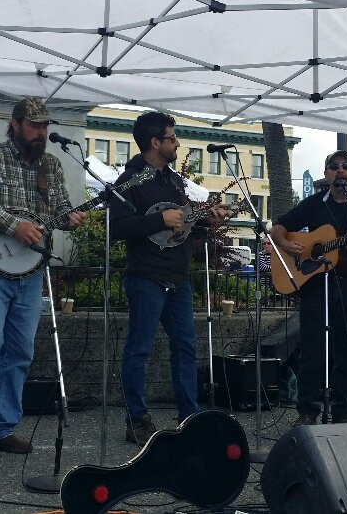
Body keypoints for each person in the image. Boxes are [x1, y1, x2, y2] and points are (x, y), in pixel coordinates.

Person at [0, 96, 86, 461]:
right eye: (34, 125)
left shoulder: (53, 165)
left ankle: (2, 428)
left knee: (20, 350)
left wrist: (69, 218)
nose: (41, 132)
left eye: (44, 126)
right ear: (14, 124)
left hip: (31, 270)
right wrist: (13, 224)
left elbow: (58, 209)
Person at [111, 111, 230, 445]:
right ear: (155, 142)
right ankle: (137, 420)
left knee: (185, 348)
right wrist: (160, 219)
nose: (177, 143)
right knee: (139, 349)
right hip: (146, 276)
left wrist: (209, 220)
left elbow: (184, 224)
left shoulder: (174, 181)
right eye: (172, 137)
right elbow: (116, 228)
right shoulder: (128, 181)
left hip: (178, 276)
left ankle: (189, 417)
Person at [270, 150, 347, 426]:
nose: (341, 171)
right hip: (315, 286)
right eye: (334, 166)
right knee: (312, 350)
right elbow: (278, 228)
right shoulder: (313, 205)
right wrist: (286, 244)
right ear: (326, 173)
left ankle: (343, 412)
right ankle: (308, 411)